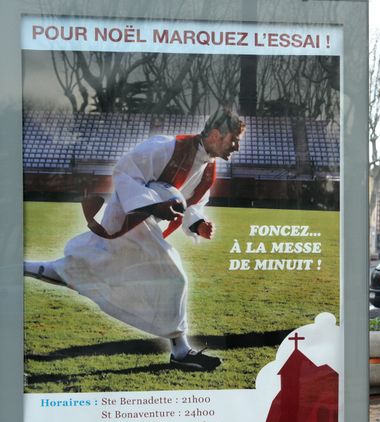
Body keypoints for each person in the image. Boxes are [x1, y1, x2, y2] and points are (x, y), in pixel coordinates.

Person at [24, 107, 245, 371]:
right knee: (175, 278)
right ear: (217, 134)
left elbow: (189, 204)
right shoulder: (166, 147)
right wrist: (152, 205)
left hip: (146, 223)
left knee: (75, 268)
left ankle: (18, 267)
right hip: (129, 218)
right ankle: (181, 352)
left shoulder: (209, 171)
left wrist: (197, 224)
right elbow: (125, 173)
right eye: (234, 140)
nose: (237, 147)